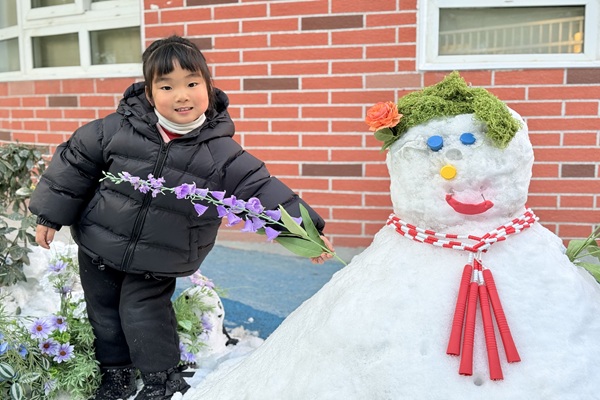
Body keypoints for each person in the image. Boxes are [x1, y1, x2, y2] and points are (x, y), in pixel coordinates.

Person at [29, 35, 333, 400]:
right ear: (149, 92)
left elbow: (262, 190)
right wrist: (49, 215)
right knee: (104, 314)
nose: (181, 96)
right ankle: (116, 374)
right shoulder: (115, 129)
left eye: (192, 83)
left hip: (161, 255)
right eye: (167, 86)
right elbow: (74, 163)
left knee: (143, 315)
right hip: (99, 243)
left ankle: (162, 380)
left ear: (208, 87)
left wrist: (305, 232)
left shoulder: (220, 151)